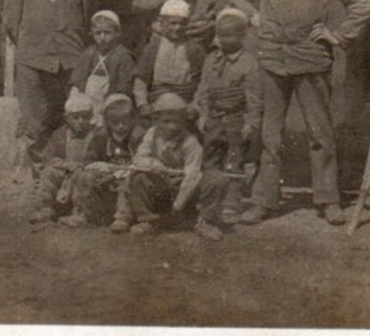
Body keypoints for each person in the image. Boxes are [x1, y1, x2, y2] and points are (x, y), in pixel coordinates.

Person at [227, 0, 370, 226]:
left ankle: (328, 200)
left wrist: (339, 36)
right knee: (270, 135)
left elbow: (363, 3)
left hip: (311, 58)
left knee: (320, 133)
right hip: (272, 58)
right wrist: (253, 17)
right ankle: (264, 200)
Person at [2, 0, 96, 163]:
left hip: (71, 63)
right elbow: (11, 22)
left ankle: (71, 181)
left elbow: (89, 18)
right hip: (33, 64)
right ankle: (39, 185)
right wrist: (33, 49)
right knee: (34, 126)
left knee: (73, 123)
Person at [111, 93, 229, 240]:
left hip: (185, 188)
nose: (172, 127)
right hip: (161, 184)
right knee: (138, 176)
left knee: (217, 179)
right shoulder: (152, 134)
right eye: (166, 121)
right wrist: (152, 163)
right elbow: (139, 158)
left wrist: (178, 205)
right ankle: (148, 221)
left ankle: (205, 222)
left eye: (177, 121)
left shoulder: (190, 142)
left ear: (184, 121)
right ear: (156, 120)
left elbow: (192, 177)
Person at [192, 6, 262, 222]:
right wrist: (202, 115)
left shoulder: (249, 63)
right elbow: (203, 91)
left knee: (233, 160)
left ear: (243, 35)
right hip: (213, 118)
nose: (225, 39)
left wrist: (250, 124)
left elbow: (254, 98)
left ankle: (232, 203)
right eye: (221, 34)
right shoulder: (211, 59)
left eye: (231, 34)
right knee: (211, 159)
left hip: (235, 119)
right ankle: (209, 200)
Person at [57, 93, 141, 228]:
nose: (121, 126)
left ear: (132, 119)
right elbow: (89, 161)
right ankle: (83, 214)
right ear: (107, 121)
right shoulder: (101, 137)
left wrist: (124, 171)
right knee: (84, 175)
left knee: (133, 180)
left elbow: (142, 160)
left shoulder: (138, 136)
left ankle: (123, 218)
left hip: (129, 176)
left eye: (125, 121)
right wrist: (101, 168)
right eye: (115, 122)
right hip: (108, 177)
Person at [29, 90, 98, 223]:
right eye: (76, 117)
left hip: (85, 173)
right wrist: (65, 164)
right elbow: (48, 157)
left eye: (85, 117)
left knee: (84, 177)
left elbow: (98, 157)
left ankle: (79, 213)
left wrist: (83, 167)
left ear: (91, 117)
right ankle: (46, 209)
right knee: (49, 173)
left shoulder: (95, 135)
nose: (81, 121)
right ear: (67, 118)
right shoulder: (60, 135)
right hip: (66, 172)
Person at [133, 0, 208, 112]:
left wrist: (195, 105)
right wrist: (142, 104)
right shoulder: (152, 48)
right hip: (158, 104)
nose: (177, 28)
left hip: (186, 105)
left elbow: (203, 81)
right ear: (162, 23)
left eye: (182, 24)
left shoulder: (194, 48)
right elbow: (141, 80)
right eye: (173, 23)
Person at [68, 10, 136, 122]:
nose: (102, 37)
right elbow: (77, 81)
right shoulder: (89, 53)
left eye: (107, 33)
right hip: (86, 104)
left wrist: (105, 107)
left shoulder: (123, 56)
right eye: (98, 33)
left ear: (117, 33)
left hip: (110, 102)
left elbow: (124, 87)